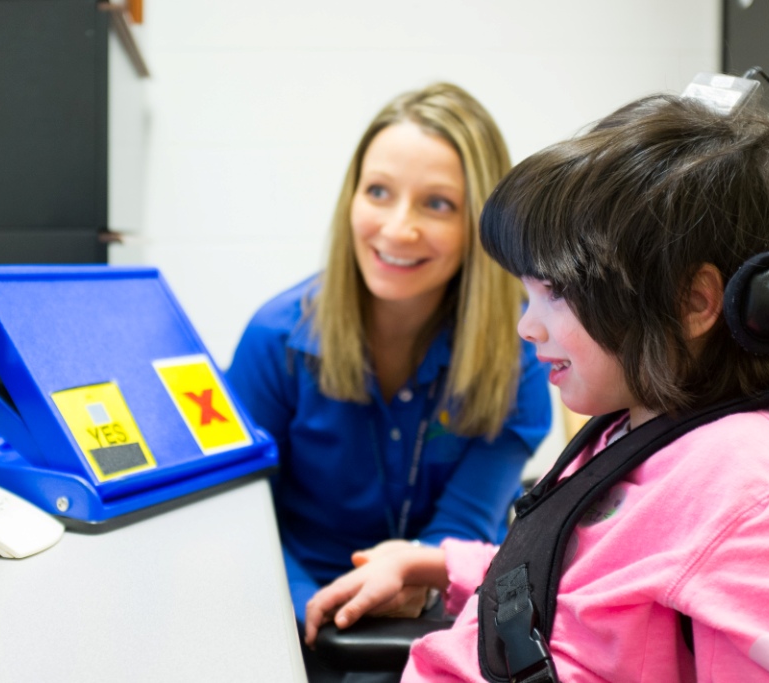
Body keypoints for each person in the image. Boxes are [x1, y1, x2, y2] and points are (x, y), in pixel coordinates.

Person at [303, 94, 769, 681]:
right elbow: (570, 581)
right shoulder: (636, 430)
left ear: (693, 302)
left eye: (556, 291)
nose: (526, 326)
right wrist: (435, 564)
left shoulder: (745, 488)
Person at [226, 82, 552, 631]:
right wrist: (307, 604)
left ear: (480, 223)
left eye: (438, 203)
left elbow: (467, 523)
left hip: (439, 608)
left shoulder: (519, 347)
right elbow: (241, 518)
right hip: (290, 606)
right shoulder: (275, 340)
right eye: (378, 192)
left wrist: (415, 587)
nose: (399, 228)